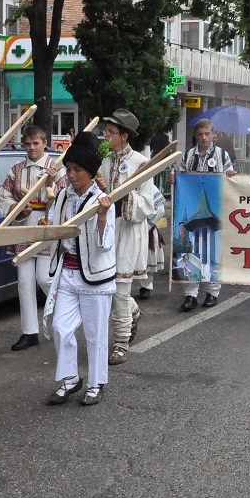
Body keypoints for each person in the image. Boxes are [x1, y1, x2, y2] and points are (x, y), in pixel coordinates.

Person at [40, 131, 116, 406]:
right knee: (60, 327)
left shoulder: (103, 200)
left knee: (95, 335)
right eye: (69, 169)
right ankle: (71, 379)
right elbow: (59, 231)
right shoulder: (62, 197)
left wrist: (103, 216)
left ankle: (96, 383)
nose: (71, 175)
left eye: (78, 170)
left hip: (95, 277)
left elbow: (105, 244)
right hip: (68, 274)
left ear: (91, 171)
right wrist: (48, 230)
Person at [0, 124, 67, 350]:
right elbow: (3, 196)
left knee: (44, 278)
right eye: (27, 144)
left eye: (36, 143)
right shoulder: (16, 169)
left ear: (45, 143)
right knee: (25, 280)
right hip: (24, 225)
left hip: (48, 223)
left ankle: (63, 317)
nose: (31, 148)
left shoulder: (56, 168)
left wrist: (52, 186)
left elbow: (66, 197)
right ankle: (29, 331)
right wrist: (17, 209)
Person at [96, 109, 157, 364]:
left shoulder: (142, 164)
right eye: (105, 130)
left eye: (110, 132)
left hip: (128, 230)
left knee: (120, 289)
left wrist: (122, 195)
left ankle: (121, 342)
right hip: (105, 228)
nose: (105, 135)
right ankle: (133, 310)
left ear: (123, 136)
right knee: (107, 288)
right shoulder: (104, 160)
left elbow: (147, 205)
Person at [176, 118, 237, 312]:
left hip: (215, 207)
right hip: (194, 206)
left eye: (207, 134)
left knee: (214, 250)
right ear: (195, 135)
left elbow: (230, 176)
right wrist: (175, 178)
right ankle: (190, 295)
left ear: (214, 135)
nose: (204, 138)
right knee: (191, 250)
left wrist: (231, 176)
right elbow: (182, 176)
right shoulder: (189, 155)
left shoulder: (221, 155)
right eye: (200, 134)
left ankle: (212, 292)